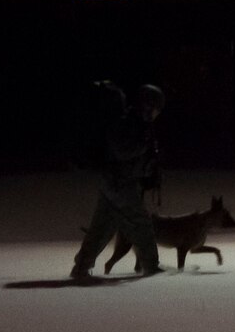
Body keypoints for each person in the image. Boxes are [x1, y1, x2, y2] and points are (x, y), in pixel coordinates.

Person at [71, 83, 166, 279]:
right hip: (119, 183)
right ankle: (151, 265)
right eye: (156, 108)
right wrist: (143, 146)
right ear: (148, 106)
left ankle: (81, 267)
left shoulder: (137, 123)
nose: (157, 113)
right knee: (141, 223)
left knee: (102, 227)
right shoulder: (128, 123)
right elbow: (122, 152)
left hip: (114, 182)